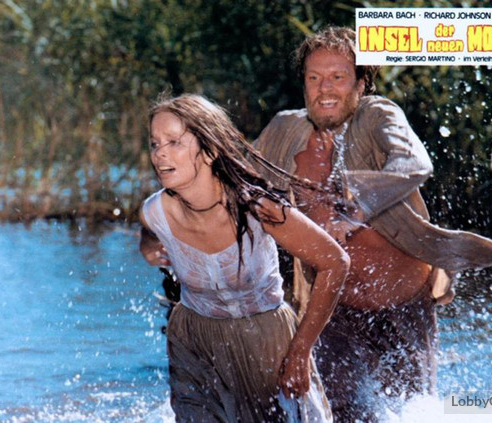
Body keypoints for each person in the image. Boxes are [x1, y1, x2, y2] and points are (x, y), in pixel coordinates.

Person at [253, 27, 492, 420]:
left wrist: (354, 213)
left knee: (412, 413)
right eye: (314, 77)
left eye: (338, 77)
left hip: (403, 306)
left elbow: (414, 163)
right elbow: (241, 184)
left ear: (361, 84)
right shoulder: (283, 131)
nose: (325, 89)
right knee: (334, 413)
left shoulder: (378, 115)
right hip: (333, 310)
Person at [139, 93, 349, 422]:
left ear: (210, 151)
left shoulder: (258, 209)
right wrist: (149, 250)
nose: (160, 153)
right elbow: (148, 235)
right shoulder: (154, 211)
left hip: (265, 341)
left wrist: (300, 351)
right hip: (194, 341)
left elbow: (335, 262)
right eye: (155, 143)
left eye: (174, 142)